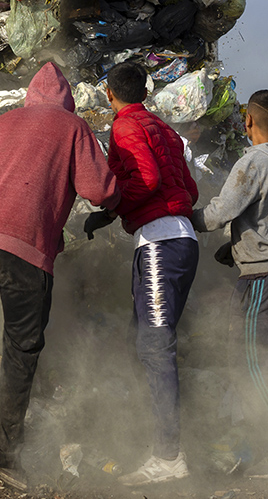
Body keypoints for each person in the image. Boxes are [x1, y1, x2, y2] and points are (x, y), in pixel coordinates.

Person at [0, 62, 121, 490]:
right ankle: (1, 456)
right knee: (23, 349)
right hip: (21, 244)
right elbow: (99, 190)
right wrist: (120, 194)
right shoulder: (72, 126)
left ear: (30, 95)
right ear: (66, 100)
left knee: (13, 334)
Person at [83, 61, 199, 486]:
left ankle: (168, 456)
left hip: (159, 243)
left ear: (109, 94)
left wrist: (113, 205)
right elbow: (190, 189)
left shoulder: (125, 127)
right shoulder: (165, 130)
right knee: (149, 341)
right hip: (182, 238)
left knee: (154, 348)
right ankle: (149, 442)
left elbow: (146, 179)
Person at [190, 90, 268, 478]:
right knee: (266, 361)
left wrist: (173, 212)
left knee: (251, 364)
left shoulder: (253, 162)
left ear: (248, 121)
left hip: (263, 276)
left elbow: (217, 213)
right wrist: (236, 246)